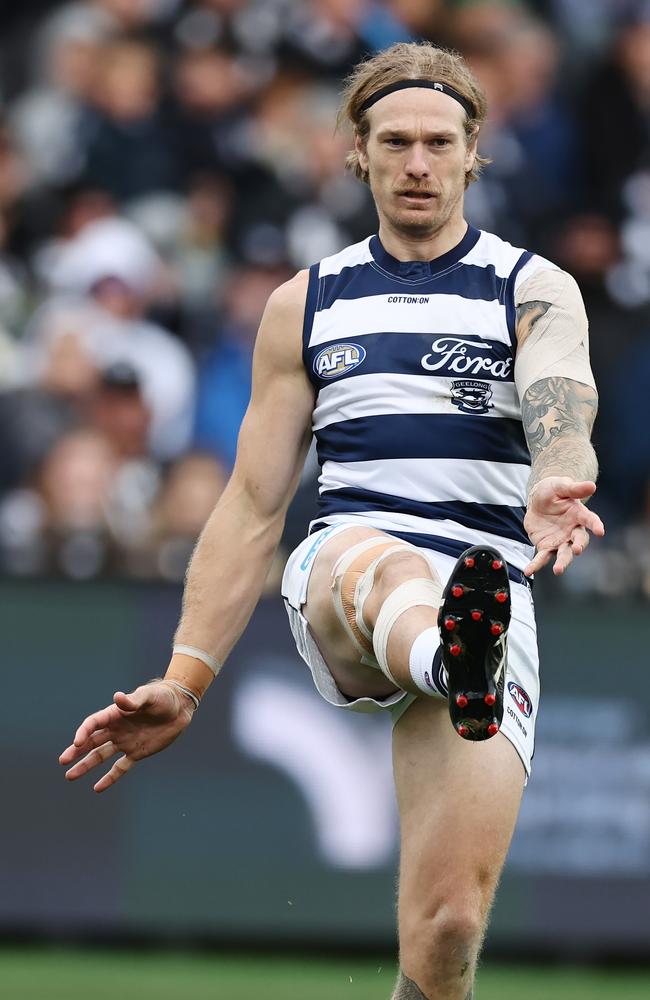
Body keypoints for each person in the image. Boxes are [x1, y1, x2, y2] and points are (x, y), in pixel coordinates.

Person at [59, 42, 604, 1000]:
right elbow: (254, 505)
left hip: (482, 587)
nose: (419, 164)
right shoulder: (302, 305)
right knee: (380, 563)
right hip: (349, 574)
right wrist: (186, 681)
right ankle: (448, 655)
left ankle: (454, 654)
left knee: (447, 934)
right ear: (358, 152)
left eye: (440, 142)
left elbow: (564, 395)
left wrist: (561, 475)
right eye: (396, 142)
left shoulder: (533, 286)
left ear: (475, 152)